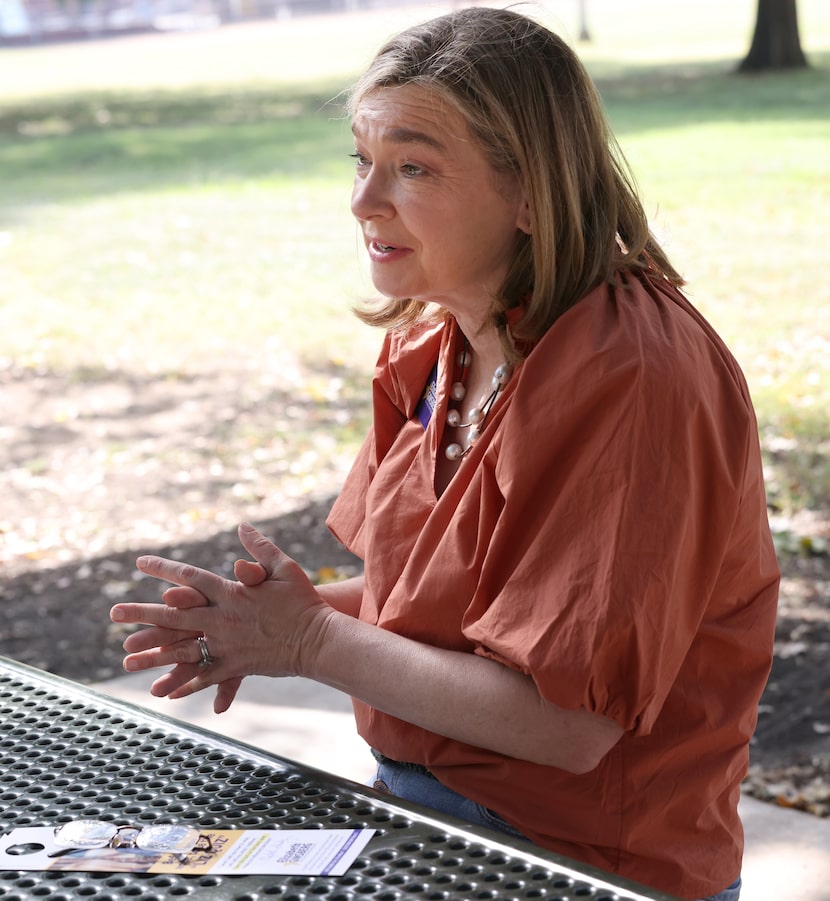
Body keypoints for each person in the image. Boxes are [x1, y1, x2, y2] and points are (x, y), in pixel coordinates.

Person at [109, 8, 779, 900]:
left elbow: (567, 721)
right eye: (362, 159)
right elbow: (432, 609)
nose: (362, 201)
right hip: (427, 808)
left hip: (583, 862)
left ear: (532, 193)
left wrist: (311, 638)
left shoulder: (635, 379)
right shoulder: (438, 338)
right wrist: (261, 626)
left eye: (413, 167)